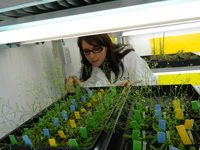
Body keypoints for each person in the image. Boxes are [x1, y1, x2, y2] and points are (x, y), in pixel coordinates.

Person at [65, 33, 157, 94]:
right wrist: (72, 81)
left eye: (96, 49)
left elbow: (150, 85)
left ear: (107, 47)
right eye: (86, 51)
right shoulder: (89, 65)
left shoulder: (129, 57)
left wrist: (131, 88)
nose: (92, 56)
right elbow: (80, 82)